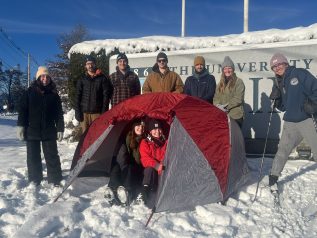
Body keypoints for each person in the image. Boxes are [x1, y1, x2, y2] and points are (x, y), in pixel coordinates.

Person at [268, 53, 317, 188]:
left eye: (279, 64)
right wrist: (276, 100)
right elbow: (284, 106)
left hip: (307, 119)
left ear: (286, 63)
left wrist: (313, 104)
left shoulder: (299, 73)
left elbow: (315, 88)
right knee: (282, 150)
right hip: (290, 121)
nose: (277, 68)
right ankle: (273, 177)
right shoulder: (279, 82)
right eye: (274, 66)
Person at [17, 66, 64, 186]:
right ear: (38, 77)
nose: (45, 78)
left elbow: (58, 113)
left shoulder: (54, 94)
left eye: (47, 76)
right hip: (32, 130)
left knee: (52, 155)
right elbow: (23, 110)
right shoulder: (29, 92)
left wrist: (60, 128)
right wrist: (21, 126)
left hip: (49, 130)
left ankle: (55, 179)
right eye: (42, 76)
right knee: (33, 157)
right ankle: (35, 179)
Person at [104, 119, 145, 205]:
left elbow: (139, 159)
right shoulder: (128, 138)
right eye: (138, 126)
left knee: (129, 168)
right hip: (127, 165)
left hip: (139, 168)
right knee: (116, 167)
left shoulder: (145, 140)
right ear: (133, 127)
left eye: (142, 126)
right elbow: (123, 155)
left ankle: (126, 193)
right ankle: (112, 190)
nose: (140, 128)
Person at [75, 56, 113, 133]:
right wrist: (77, 111)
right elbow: (77, 96)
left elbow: (106, 96)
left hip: (97, 113)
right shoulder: (82, 79)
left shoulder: (102, 78)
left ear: (95, 64)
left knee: (96, 136)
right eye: (88, 64)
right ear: (85, 66)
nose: (90, 65)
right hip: (84, 114)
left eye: (92, 63)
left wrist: (104, 112)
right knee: (85, 137)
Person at [138, 118, 168, 204]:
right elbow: (145, 159)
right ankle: (144, 192)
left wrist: (162, 166)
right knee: (149, 169)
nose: (157, 131)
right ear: (150, 131)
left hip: (162, 173)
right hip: (151, 174)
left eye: (159, 129)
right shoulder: (145, 142)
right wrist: (157, 166)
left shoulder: (166, 142)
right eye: (154, 129)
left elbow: (168, 156)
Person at [213, 56, 245, 128]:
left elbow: (238, 98)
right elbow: (215, 98)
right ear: (223, 70)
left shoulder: (239, 82)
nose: (227, 70)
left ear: (233, 69)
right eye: (225, 68)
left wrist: (226, 107)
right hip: (222, 116)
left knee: (235, 138)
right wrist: (218, 106)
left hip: (235, 116)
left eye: (229, 68)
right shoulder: (220, 84)